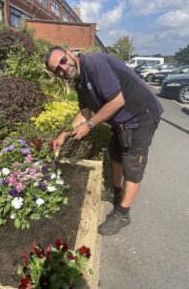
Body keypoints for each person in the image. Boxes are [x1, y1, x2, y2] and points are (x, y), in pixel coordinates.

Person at [44, 46, 163, 236]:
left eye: (62, 61)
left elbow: (117, 101)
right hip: (121, 121)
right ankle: (116, 193)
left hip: (141, 116)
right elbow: (84, 113)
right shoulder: (80, 81)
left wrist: (90, 126)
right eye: (56, 69)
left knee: (132, 165)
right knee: (115, 155)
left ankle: (122, 214)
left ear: (69, 53)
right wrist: (63, 134)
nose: (62, 69)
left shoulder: (95, 63)